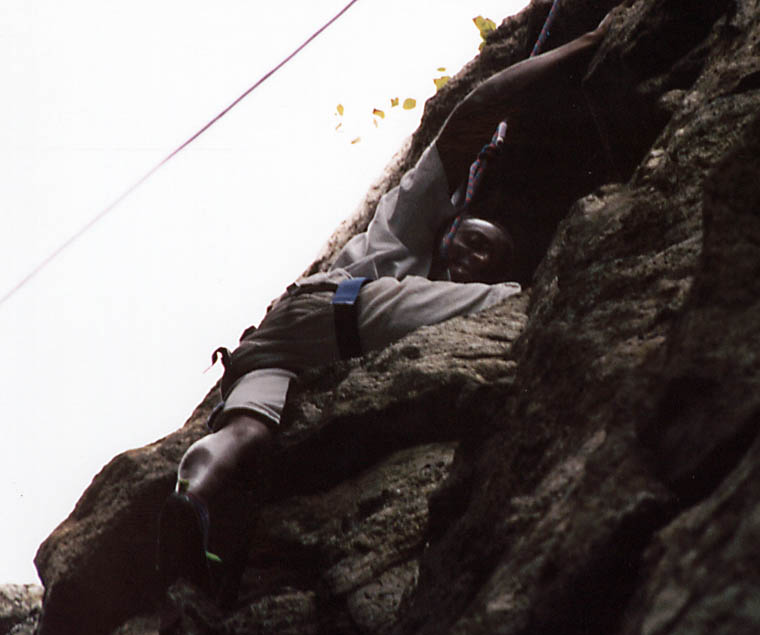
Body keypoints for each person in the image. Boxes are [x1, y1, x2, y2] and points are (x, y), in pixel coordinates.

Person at [157, 18, 608, 603]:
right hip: (338, 307)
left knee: (245, 430)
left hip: (270, 346)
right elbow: (474, 111)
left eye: (489, 254)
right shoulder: (405, 226)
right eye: (470, 238)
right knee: (525, 300)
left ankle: (190, 499)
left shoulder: (421, 283)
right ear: (447, 228)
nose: (473, 257)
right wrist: (584, 44)